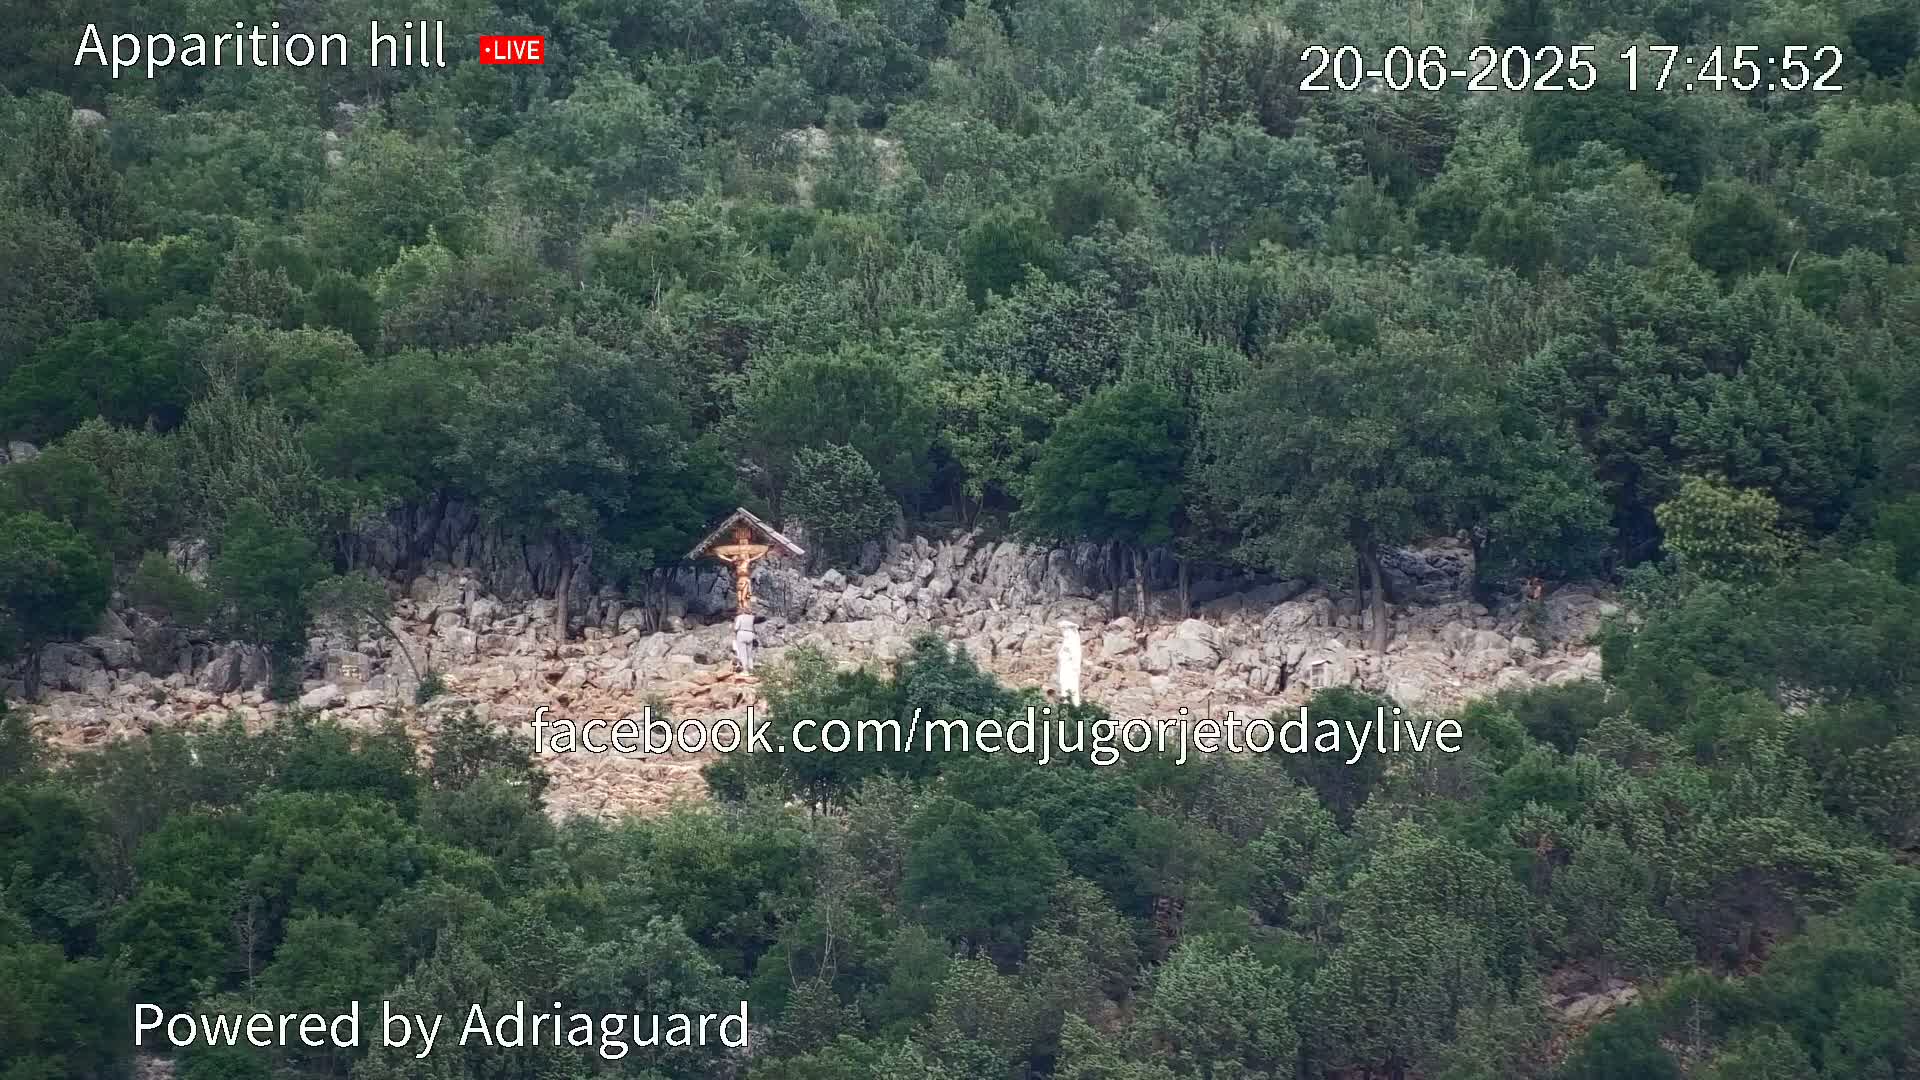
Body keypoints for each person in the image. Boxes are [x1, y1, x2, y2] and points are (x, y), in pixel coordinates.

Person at [1056, 619, 1082, 707]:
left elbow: (1075, 655)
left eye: (1063, 629)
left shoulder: (1072, 640)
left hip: (1070, 669)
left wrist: (1075, 667)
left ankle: (1072, 705)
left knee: (1070, 686)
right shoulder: (1067, 640)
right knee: (1064, 685)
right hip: (1065, 666)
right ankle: (1066, 704)